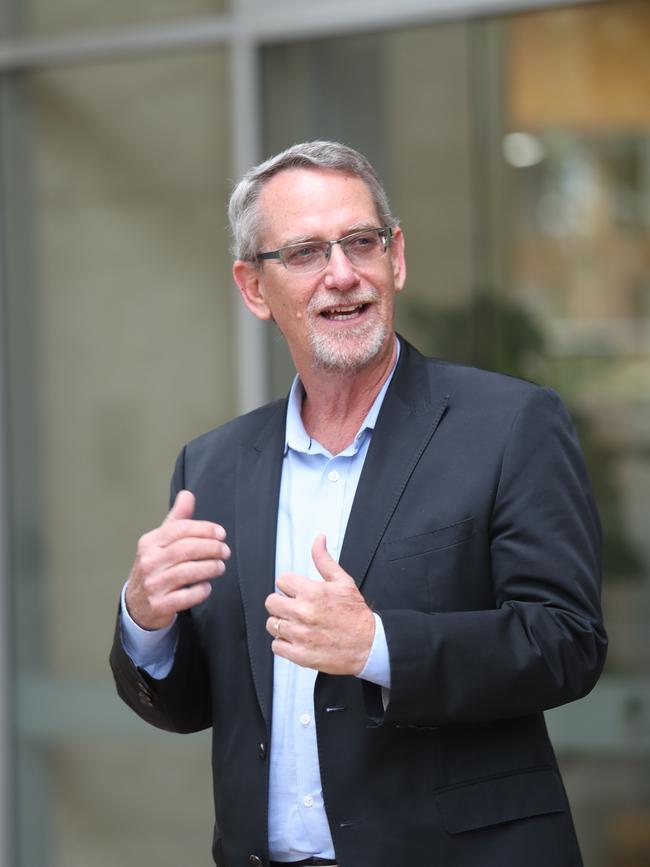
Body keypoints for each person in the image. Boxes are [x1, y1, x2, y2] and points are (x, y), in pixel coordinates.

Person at [110, 141, 607, 867]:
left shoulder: (510, 425)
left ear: (396, 257)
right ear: (254, 288)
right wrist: (145, 618)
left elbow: (566, 641)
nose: (342, 274)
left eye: (361, 242)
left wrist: (377, 646)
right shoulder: (211, 466)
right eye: (307, 252)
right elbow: (193, 706)